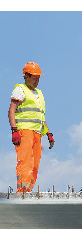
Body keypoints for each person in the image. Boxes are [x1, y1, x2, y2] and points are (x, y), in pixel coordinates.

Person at [8, 62, 55, 193]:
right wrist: (14, 130)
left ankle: (28, 189)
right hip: (24, 131)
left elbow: (40, 116)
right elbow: (11, 110)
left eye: (38, 78)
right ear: (26, 76)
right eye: (35, 77)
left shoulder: (39, 93)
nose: (37, 80)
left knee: (35, 164)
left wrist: (49, 133)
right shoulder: (20, 89)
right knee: (25, 161)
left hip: (37, 133)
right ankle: (22, 190)